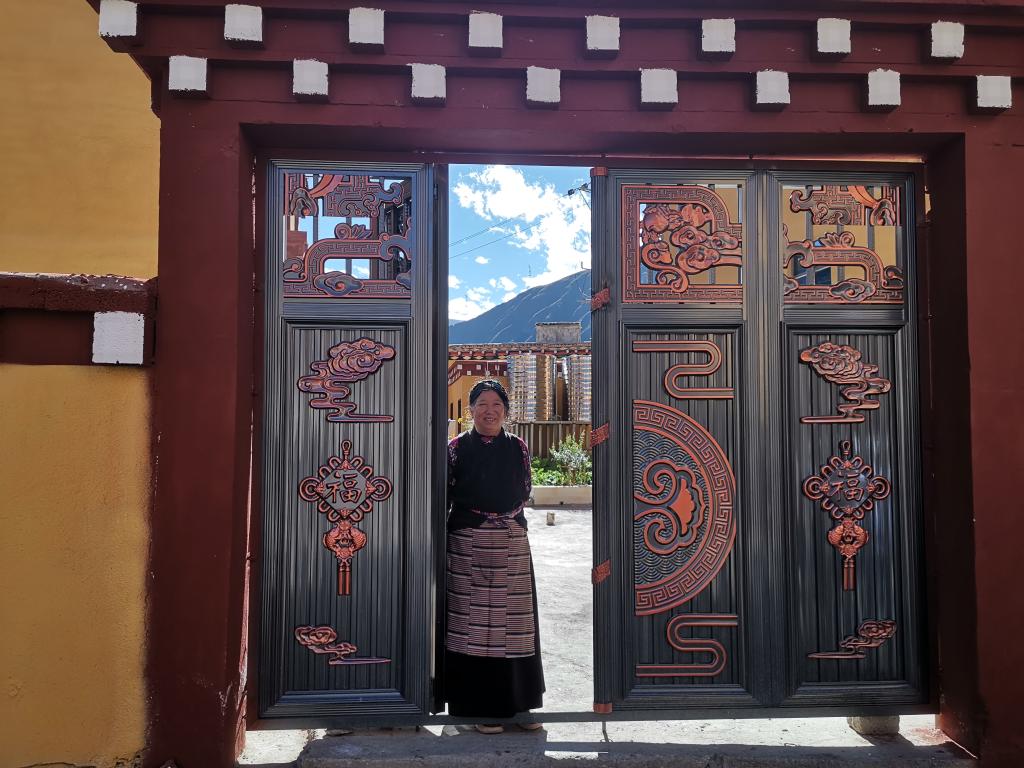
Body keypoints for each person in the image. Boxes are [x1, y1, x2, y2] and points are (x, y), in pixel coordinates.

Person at [444, 379, 545, 734]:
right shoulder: (455, 448)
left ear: (506, 410)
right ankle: (478, 708)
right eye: (482, 404)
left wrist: (502, 519)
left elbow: (525, 489)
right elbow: (445, 493)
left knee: (516, 626)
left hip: (511, 540)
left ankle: (520, 705)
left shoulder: (518, 446)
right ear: (470, 410)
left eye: (496, 404)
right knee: (472, 627)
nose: (490, 411)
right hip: (467, 542)